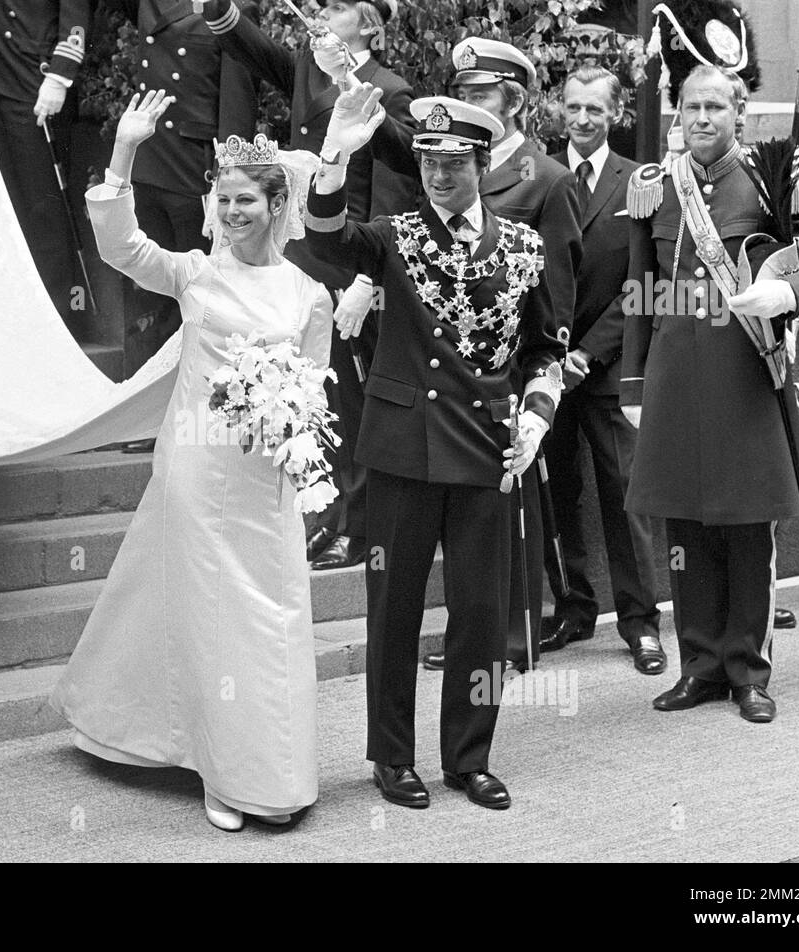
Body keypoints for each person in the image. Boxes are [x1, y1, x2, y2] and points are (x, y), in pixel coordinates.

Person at [50, 91, 333, 831]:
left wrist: (299, 456)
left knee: (266, 618)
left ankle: (268, 769)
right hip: (195, 472)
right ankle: (218, 769)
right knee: (208, 615)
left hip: (264, 479)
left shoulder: (309, 295)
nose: (233, 211)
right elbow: (121, 247)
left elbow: (314, 395)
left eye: (246, 200)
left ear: (276, 206)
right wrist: (124, 148)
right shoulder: (194, 275)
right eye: (224, 198)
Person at [306, 86, 563, 810]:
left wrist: (537, 418)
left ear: (483, 161)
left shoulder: (521, 246)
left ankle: (468, 756)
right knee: (395, 608)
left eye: (454, 162)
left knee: (482, 612)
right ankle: (391, 756)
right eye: (427, 161)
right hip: (404, 448)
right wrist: (335, 161)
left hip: (486, 446)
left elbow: (547, 349)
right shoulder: (394, 235)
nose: (439, 176)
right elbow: (326, 236)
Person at [620, 65, 799, 723]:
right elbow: (639, 290)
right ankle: (700, 666)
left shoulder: (772, 178)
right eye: (691, 108)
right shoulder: (656, 189)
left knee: (747, 526)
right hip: (675, 379)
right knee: (685, 521)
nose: (702, 119)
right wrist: (634, 383)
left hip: (746, 374)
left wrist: (786, 292)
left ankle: (748, 670)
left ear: (738, 115)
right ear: (676, 115)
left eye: (716, 107)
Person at [200, 0, 418, 571]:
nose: (324, 12)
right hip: (303, 266)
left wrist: (368, 279)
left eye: (342, 6)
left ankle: (357, 525)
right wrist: (217, 8)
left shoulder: (386, 88)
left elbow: (393, 193)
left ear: (370, 26)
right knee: (315, 394)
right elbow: (247, 43)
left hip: (351, 275)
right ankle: (326, 517)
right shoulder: (308, 67)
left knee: (354, 397)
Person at [406, 38, 581, 674]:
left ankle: (510, 641)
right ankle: (469, 637)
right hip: (440, 373)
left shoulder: (548, 179)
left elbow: (553, 294)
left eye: (480, 95)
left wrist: (545, 383)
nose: (467, 102)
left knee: (514, 517)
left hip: (505, 375)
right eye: (464, 93)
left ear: (512, 101)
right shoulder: (443, 160)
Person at [536, 65, 664, 675]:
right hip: (544, 364)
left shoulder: (638, 182)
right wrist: (552, 355)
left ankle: (641, 623)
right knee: (556, 491)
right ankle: (572, 607)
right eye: (573, 107)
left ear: (616, 115)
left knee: (624, 494)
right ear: (559, 107)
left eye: (595, 110)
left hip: (607, 370)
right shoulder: (538, 174)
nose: (582, 120)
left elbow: (643, 281)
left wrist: (590, 351)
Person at [109, 0, 259, 452]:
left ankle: (195, 411)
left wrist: (228, 178)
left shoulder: (229, 8)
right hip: (150, 159)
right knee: (144, 292)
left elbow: (236, 103)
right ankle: (140, 412)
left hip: (196, 170)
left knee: (198, 294)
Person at [0, 0, 90, 323]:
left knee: (44, 203)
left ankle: (64, 313)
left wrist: (60, 77)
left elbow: (77, 22)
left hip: (35, 85)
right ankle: (26, 306)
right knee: (12, 200)